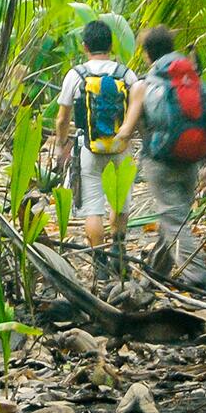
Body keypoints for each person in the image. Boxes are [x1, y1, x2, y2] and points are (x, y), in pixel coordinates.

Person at [116, 24, 206, 293]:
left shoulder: (145, 85)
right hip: (192, 158)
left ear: (147, 53)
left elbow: (128, 128)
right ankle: (155, 272)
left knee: (174, 220)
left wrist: (115, 141)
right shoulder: (193, 80)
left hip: (160, 160)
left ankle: (197, 275)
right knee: (175, 216)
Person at [50, 19, 139, 251]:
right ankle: (118, 254)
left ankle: (99, 260)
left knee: (93, 207)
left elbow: (62, 118)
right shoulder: (126, 75)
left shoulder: (76, 75)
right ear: (111, 46)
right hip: (121, 148)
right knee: (119, 203)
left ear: (84, 46)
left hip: (89, 148)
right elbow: (137, 110)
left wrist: (61, 144)